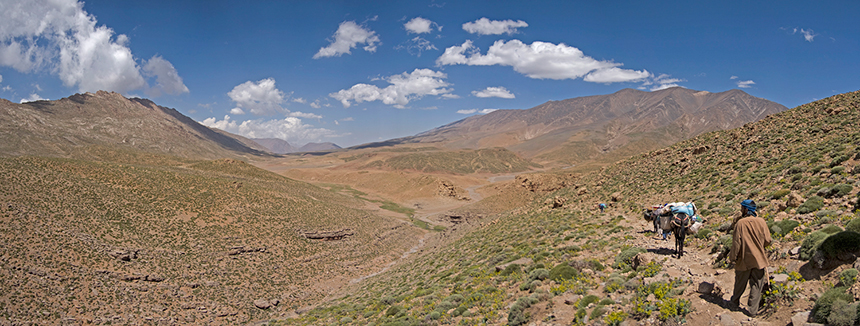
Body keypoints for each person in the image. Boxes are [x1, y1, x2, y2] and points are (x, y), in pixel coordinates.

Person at [728, 199, 772, 317]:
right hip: (759, 259)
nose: (741, 210)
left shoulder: (740, 224)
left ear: (746, 209)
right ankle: (752, 311)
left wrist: (732, 258)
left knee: (740, 283)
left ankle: (734, 302)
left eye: (742, 208)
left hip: (744, 260)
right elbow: (768, 240)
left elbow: (736, 243)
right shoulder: (762, 222)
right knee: (757, 285)